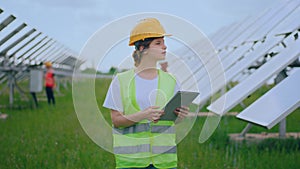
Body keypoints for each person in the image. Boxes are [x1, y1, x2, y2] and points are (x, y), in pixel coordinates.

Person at [103, 18, 189, 169]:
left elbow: (174, 121)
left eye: (163, 42)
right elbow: (116, 120)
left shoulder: (171, 81)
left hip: (164, 162)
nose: (165, 46)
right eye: (158, 43)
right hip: (132, 162)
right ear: (143, 48)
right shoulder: (120, 81)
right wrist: (143, 115)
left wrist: (179, 115)